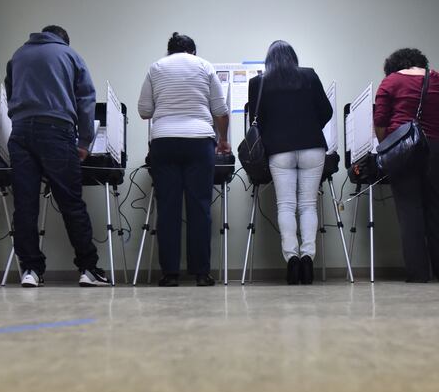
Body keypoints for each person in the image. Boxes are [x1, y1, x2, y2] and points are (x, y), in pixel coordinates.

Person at [5, 25, 108, 288]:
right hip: (56, 130)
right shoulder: (70, 55)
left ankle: (31, 270)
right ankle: (88, 269)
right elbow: (86, 99)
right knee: (71, 203)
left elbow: (9, 91)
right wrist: (84, 140)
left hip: (20, 132)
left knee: (25, 205)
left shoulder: (18, 55)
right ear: (64, 39)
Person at [138, 32, 230, 287]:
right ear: (193, 51)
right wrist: (222, 140)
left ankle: (169, 274)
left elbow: (144, 111)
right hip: (200, 142)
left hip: (164, 142)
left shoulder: (156, 67)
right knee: (200, 207)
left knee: (168, 208)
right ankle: (201, 273)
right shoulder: (205, 66)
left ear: (169, 51)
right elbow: (220, 111)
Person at [374, 48, 439, 283]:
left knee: (409, 210)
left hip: (402, 151)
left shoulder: (390, 82)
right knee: (433, 206)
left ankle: (418, 273)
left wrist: (388, 146)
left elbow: (380, 121)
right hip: (436, 149)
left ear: (393, 66)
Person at [247, 40, 332, 285]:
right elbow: (326, 111)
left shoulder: (258, 83)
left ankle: (292, 260)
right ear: (293, 57)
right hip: (312, 147)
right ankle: (308, 258)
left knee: (285, 206)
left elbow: (256, 119)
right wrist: (309, 127)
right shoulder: (309, 76)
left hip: (278, 151)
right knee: (308, 205)